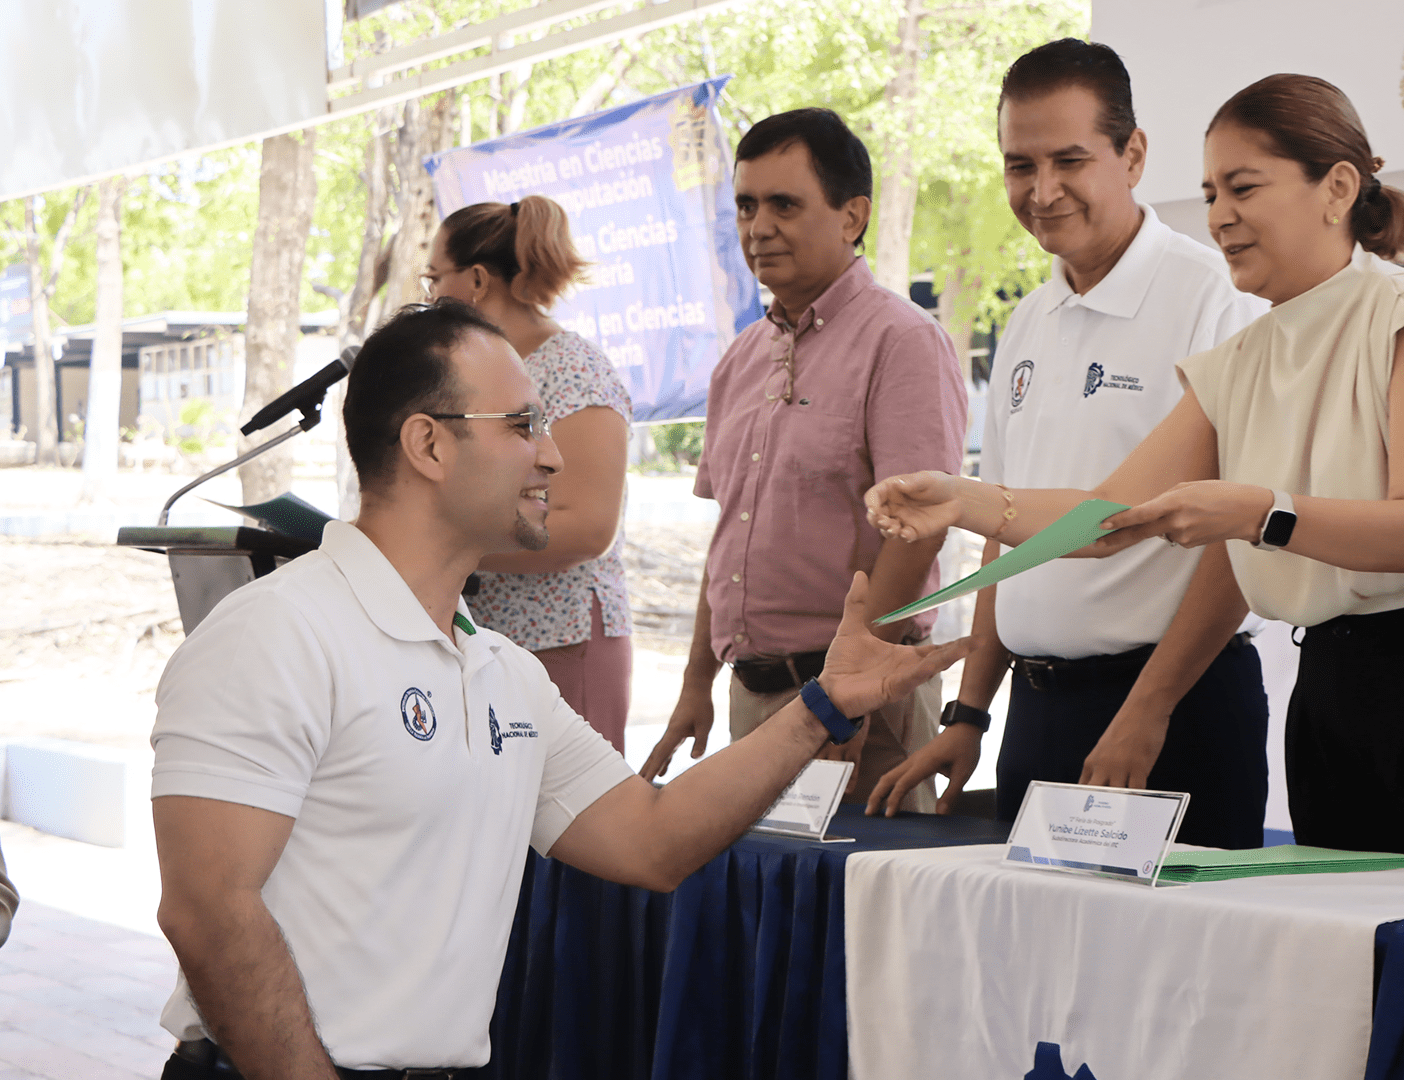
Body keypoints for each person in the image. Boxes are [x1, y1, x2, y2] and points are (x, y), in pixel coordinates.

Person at [149, 301, 967, 1079]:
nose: (552, 453)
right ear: (428, 446)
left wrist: (821, 705)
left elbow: (650, 840)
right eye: (522, 425)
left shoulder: (502, 671)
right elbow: (208, 911)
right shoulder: (276, 633)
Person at [867, 74, 1404, 887]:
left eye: (1244, 187)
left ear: (1337, 188)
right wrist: (963, 497)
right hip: (1336, 692)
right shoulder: (1239, 363)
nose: (1220, 214)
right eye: (1211, 191)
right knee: (1354, 981)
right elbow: (1107, 517)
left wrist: (1260, 513)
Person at [862, 39, 1272, 849]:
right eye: (1020, 165)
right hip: (1037, 711)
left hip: (1171, 707)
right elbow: (1000, 544)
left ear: (1134, 155)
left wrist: (1148, 708)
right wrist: (970, 713)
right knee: (1036, 970)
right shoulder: (1026, 321)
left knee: (1171, 972)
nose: (1042, 191)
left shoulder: (1216, 300)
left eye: (1069, 161)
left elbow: (1239, 547)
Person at [640, 108, 968, 810]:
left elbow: (918, 533)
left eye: (784, 204)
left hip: (859, 706)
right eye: (746, 205)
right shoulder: (739, 359)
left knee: (860, 916)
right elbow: (729, 539)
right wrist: (696, 683)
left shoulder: (902, 342)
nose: (758, 228)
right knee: (771, 917)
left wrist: (842, 697)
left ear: (853, 217)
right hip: (752, 701)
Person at [421, 194, 637, 754]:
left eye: (433, 278)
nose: (427, 298)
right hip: (486, 641)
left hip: (562, 642)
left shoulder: (573, 367)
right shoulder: (475, 376)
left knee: (575, 837)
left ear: (474, 280)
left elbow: (588, 527)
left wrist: (443, 546)